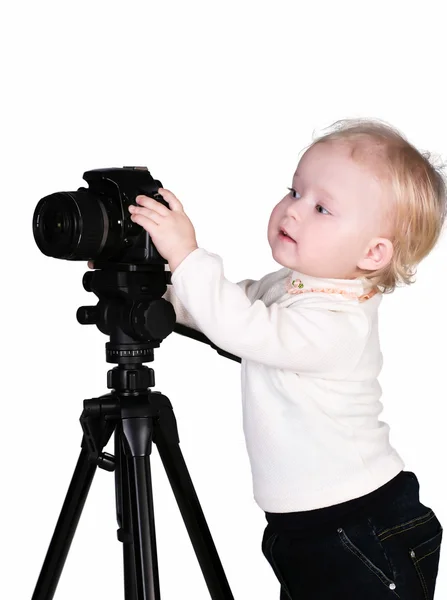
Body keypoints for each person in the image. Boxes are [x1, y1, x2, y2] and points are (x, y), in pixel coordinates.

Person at [88, 117, 446, 599]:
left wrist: (187, 255)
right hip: (307, 525)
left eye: (322, 208)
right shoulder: (291, 287)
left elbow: (240, 325)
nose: (293, 211)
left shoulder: (338, 323)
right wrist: (148, 282)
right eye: (294, 191)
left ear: (373, 252)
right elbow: (217, 307)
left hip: (360, 526)